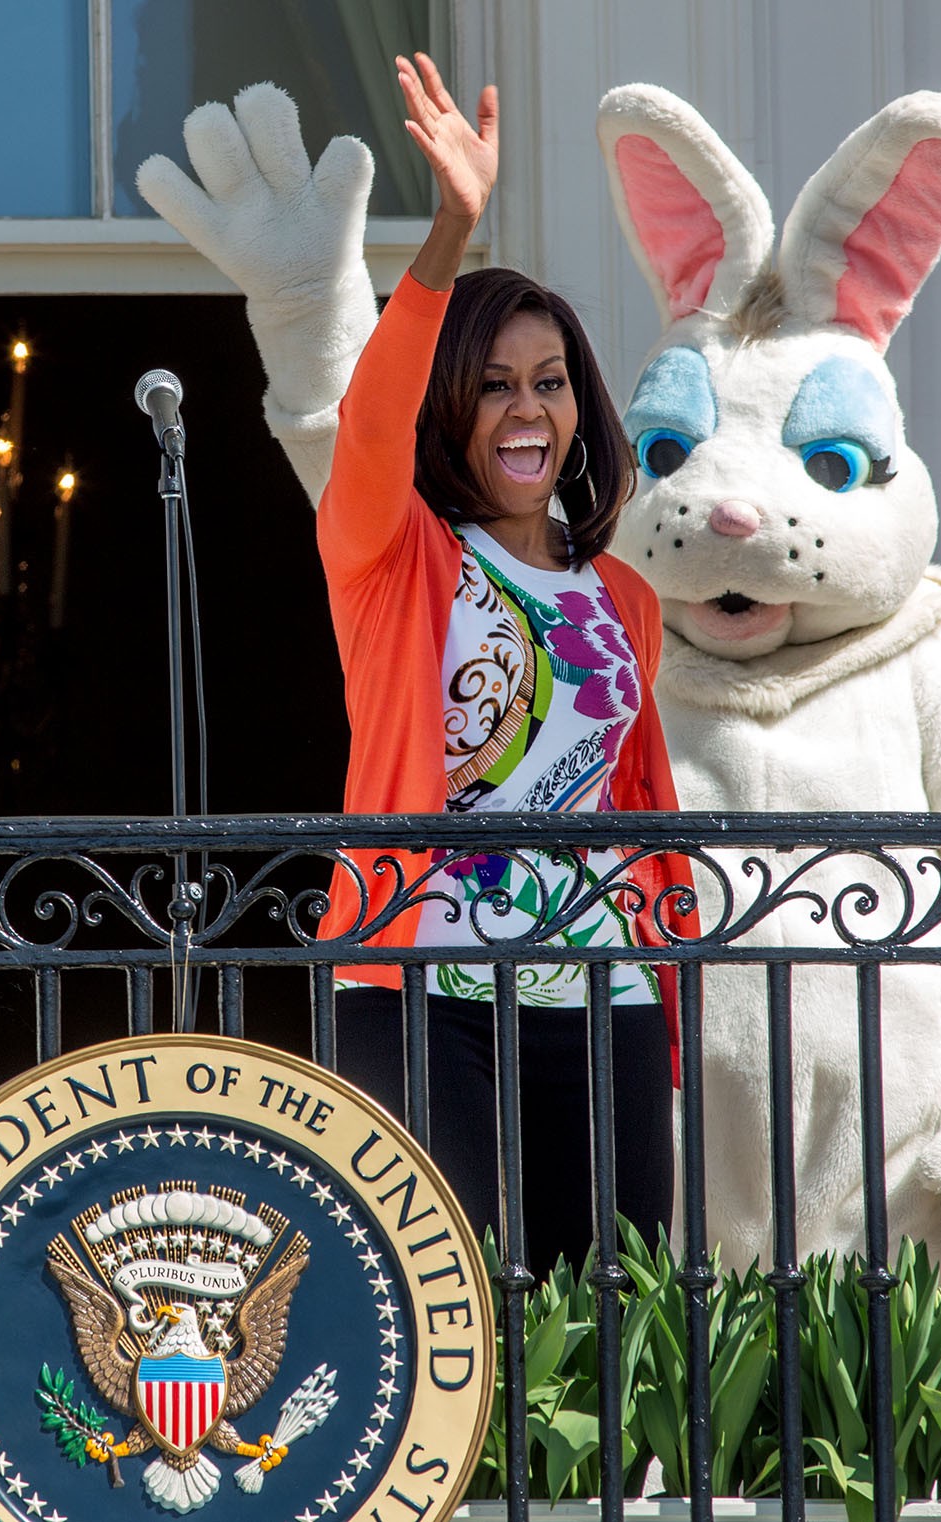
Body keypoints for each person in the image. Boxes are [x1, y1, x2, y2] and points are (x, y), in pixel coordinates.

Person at [317, 56, 692, 1273]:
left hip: (604, 993)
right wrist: (448, 236)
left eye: (546, 384)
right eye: (489, 387)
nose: (523, 411)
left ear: (579, 405)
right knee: (452, 1303)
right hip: (421, 981)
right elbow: (366, 425)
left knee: (609, 1313)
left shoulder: (621, 595)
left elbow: (631, 801)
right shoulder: (395, 555)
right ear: (448, 410)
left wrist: (667, 974)